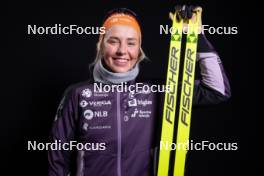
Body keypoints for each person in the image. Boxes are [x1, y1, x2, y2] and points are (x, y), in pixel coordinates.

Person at [48, 6, 231, 176]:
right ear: (101, 45)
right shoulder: (77, 94)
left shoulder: (157, 92)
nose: (122, 51)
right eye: (113, 41)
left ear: (139, 49)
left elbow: (216, 90)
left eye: (131, 43)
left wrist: (198, 37)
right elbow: (58, 154)